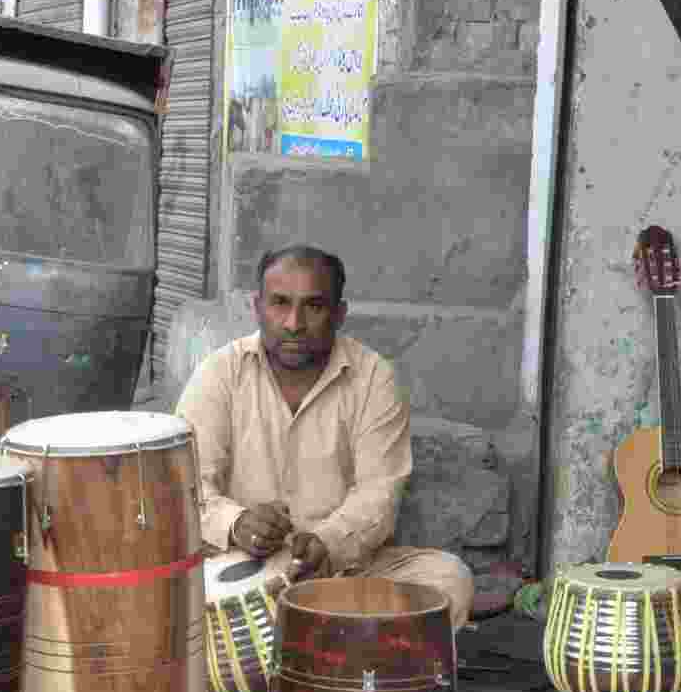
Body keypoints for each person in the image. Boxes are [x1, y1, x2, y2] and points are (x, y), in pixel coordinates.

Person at [175, 244, 474, 630]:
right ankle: (346, 648)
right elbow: (185, 487)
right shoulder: (219, 374)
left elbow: (379, 495)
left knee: (449, 581)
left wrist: (325, 543)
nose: (294, 323)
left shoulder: (372, 378)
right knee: (178, 592)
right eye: (280, 303)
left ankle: (319, 646)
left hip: (340, 569)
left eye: (313, 306)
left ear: (339, 314)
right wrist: (236, 522)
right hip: (239, 568)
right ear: (257, 307)